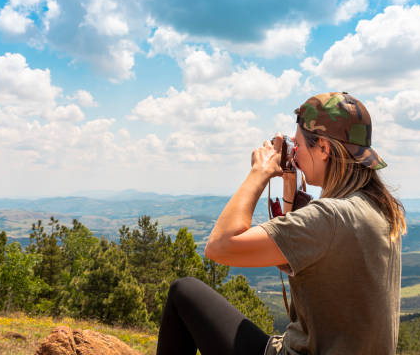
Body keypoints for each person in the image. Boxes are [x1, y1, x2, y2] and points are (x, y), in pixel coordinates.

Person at [156, 92, 406, 355]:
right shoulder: (380, 209)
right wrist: (290, 185)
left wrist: (259, 172)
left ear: (323, 148)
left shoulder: (330, 217)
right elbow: (294, 260)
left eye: (298, 145)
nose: (295, 154)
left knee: (183, 292)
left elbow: (219, 247)